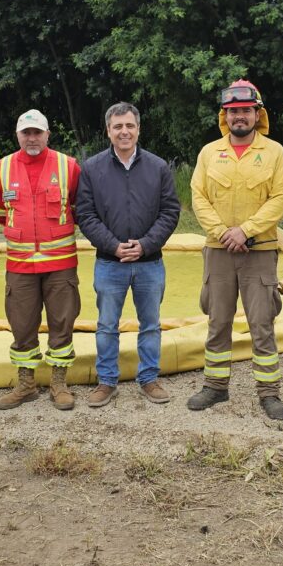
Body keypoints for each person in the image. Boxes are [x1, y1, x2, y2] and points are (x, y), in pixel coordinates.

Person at [187, 80, 283, 419]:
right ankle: (215, 387)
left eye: (246, 110)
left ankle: (269, 393)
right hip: (219, 251)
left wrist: (245, 231)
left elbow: (280, 200)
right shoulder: (209, 153)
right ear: (225, 116)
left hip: (259, 250)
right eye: (233, 112)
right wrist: (223, 233)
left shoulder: (274, 152)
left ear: (257, 114)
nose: (239, 117)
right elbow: (199, 198)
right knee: (218, 320)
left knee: (262, 323)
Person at [75, 102, 181, 407]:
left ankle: (149, 378)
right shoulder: (92, 168)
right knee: (107, 324)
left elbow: (170, 211)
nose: (124, 131)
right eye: (118, 126)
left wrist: (146, 244)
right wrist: (113, 245)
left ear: (138, 129)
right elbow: (85, 214)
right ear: (108, 131)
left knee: (150, 324)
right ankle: (107, 381)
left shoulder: (158, 167)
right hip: (110, 262)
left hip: (150, 262)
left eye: (129, 125)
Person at [0, 110, 82, 411]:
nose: (32, 138)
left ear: (47, 134)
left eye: (37, 132)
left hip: (60, 262)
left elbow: (80, 207)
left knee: (62, 323)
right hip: (20, 265)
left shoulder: (68, 166)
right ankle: (26, 384)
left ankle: (59, 383)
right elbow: (0, 212)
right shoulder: (1, 168)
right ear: (17, 135)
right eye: (26, 133)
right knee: (22, 324)